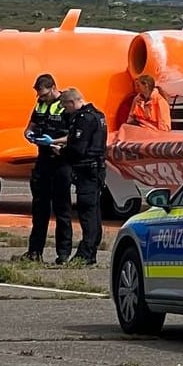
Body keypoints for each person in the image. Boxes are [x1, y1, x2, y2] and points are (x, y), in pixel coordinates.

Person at [21, 73, 72, 263]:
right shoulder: (40, 105)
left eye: (43, 95)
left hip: (60, 160)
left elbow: (74, 134)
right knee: (39, 209)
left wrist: (55, 141)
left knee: (62, 209)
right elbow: (30, 126)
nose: (40, 99)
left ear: (52, 88)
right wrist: (29, 134)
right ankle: (34, 252)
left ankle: (63, 253)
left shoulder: (65, 104)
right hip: (43, 160)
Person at [58, 87, 107, 266]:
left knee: (87, 213)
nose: (65, 111)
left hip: (87, 169)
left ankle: (86, 251)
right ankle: (89, 250)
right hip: (97, 168)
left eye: (65, 107)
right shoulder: (99, 115)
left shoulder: (83, 118)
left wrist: (61, 151)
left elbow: (79, 148)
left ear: (72, 102)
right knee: (94, 212)